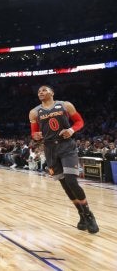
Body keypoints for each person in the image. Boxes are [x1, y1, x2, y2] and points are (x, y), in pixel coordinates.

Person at [29, 85, 99, 233]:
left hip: (67, 146)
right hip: (49, 149)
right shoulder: (34, 112)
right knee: (65, 184)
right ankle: (81, 214)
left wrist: (71, 130)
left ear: (52, 93)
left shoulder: (65, 105)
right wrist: (35, 136)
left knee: (71, 180)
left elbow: (79, 122)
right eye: (39, 91)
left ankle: (88, 214)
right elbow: (34, 133)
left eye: (44, 90)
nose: (40, 92)